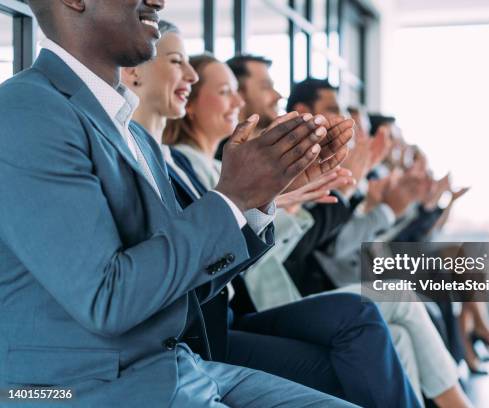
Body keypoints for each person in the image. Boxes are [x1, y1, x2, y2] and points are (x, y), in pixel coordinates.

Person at [0, 1, 358, 406]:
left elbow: (179, 282)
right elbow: (106, 299)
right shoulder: (26, 111)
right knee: (365, 323)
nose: (159, 1)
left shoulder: (136, 137)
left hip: (176, 368)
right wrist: (233, 197)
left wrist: (258, 198)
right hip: (87, 389)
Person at [124, 21, 422, 408]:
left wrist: (278, 201)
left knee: (392, 316)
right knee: (377, 329)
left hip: (224, 312)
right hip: (210, 326)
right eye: (178, 62)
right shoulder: (162, 162)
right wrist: (280, 201)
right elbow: (203, 256)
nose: (191, 77)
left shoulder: (171, 162)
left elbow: (221, 247)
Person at [226, 62, 473, 408]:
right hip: (281, 299)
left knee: (402, 327)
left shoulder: (311, 168)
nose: (276, 95)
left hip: (298, 291)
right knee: (403, 296)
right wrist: (359, 199)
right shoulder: (238, 166)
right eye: (334, 110)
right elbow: (329, 249)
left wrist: (422, 206)